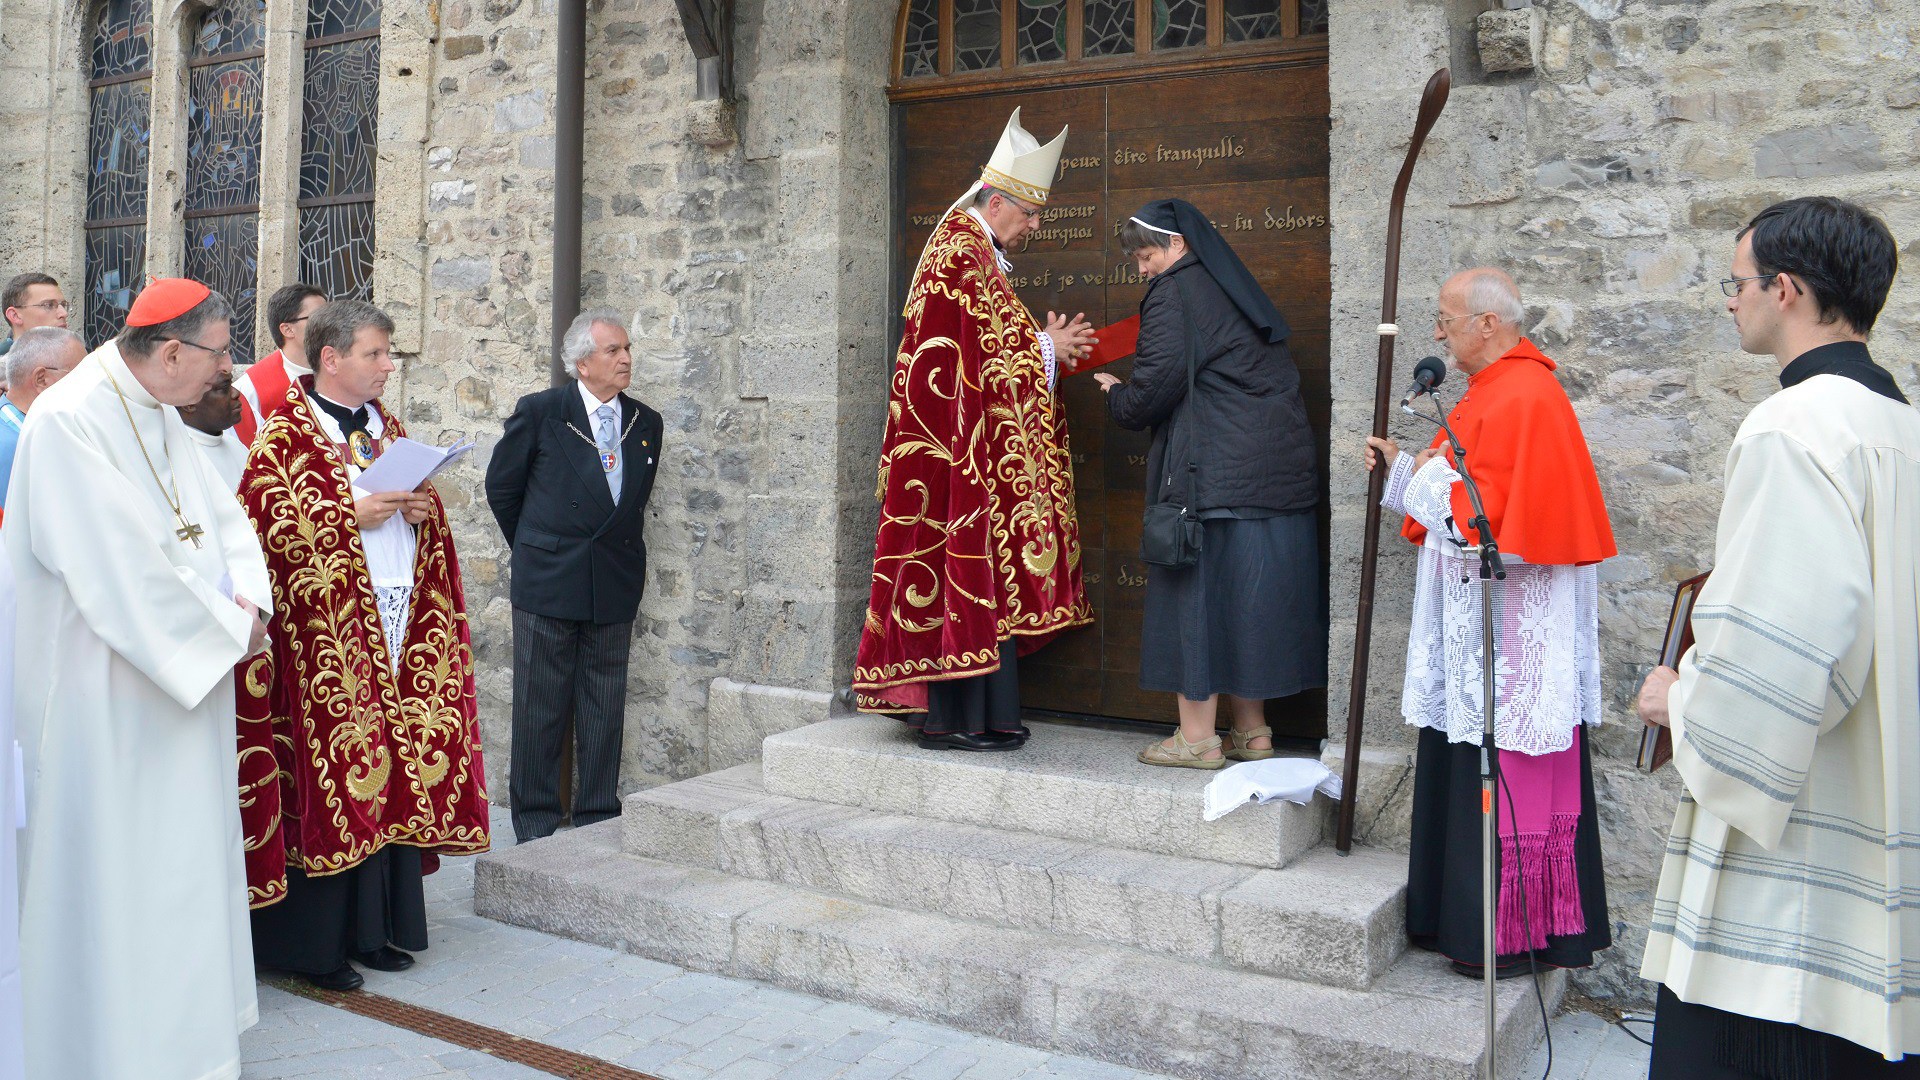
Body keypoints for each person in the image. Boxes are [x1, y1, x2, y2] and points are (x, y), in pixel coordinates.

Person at [1636, 198, 1920, 1075]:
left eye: (1739, 282)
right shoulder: (1902, 429)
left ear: (1786, 290)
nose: (1731, 301)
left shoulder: (1793, 427)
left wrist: (1682, 701)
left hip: (1800, 838)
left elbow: (1797, 642)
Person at [8, 278, 271, 1080]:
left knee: (183, 865)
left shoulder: (161, 408)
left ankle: (188, 1043)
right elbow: (112, 568)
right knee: (121, 869)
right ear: (169, 352)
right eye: (222, 353)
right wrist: (227, 628)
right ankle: (109, 1048)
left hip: (179, 677)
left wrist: (251, 597)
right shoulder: (67, 420)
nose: (230, 369)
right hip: (104, 691)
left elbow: (218, 517)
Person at [1362, 267, 1615, 979]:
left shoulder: (1525, 394)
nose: (1436, 333)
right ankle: (1454, 920)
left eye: (1445, 319)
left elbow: (1491, 520)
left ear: (1487, 325)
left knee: (1510, 765)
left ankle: (1509, 933)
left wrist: (1416, 477)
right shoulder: (1489, 393)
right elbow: (1471, 490)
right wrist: (1407, 470)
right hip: (1478, 635)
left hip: (1512, 641)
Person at [239, 298, 489, 991]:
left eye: (387, 354)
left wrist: (419, 508)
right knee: (340, 776)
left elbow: (417, 513)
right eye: (376, 354)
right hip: (327, 638)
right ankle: (318, 947)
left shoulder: (386, 427)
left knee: (391, 770)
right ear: (331, 359)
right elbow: (263, 530)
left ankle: (379, 930)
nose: (387, 366)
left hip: (398, 622)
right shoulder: (285, 434)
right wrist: (349, 515)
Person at [851, 108, 1097, 751]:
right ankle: (951, 718)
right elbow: (976, 357)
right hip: (951, 454)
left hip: (960, 448)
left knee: (973, 573)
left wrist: (1041, 346)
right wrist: (1046, 345)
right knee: (957, 566)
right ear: (998, 200)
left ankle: (976, 714)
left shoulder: (969, 247)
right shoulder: (962, 250)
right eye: (1032, 213)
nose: (1036, 227)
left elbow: (980, 349)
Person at [1093, 199, 1324, 769]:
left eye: (1145, 256)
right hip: (1272, 478)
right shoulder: (1228, 284)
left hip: (1213, 479)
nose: (1142, 269)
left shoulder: (1178, 292)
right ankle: (1254, 733)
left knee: (1195, 600)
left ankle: (1196, 738)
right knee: (1248, 603)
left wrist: (1116, 395)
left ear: (1177, 246)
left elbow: (1150, 393)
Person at [484, 309, 662, 843]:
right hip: (548, 581)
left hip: (614, 579)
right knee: (540, 707)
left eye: (627, 348)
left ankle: (597, 817)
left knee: (605, 706)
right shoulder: (542, 412)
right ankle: (536, 826)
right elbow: (503, 489)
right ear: (583, 363)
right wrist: (540, 549)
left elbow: (633, 503)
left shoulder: (645, 422)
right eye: (613, 351)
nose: (626, 358)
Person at [0, 327, 84, 518]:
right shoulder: (11, 445)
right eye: (79, 374)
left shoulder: (34, 428)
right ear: (41, 379)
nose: (87, 383)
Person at [233, 282, 327, 445]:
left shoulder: (344, 374)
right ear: (287, 329)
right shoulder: (250, 391)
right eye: (319, 317)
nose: (330, 324)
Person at [178, 364, 249, 491]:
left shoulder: (237, 447)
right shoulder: (179, 462)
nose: (236, 393)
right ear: (189, 402)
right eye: (224, 388)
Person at [0, 272, 68, 358]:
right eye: (49, 305)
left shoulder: (80, 360)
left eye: (64, 305)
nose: (64, 313)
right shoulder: (3, 366)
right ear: (15, 316)